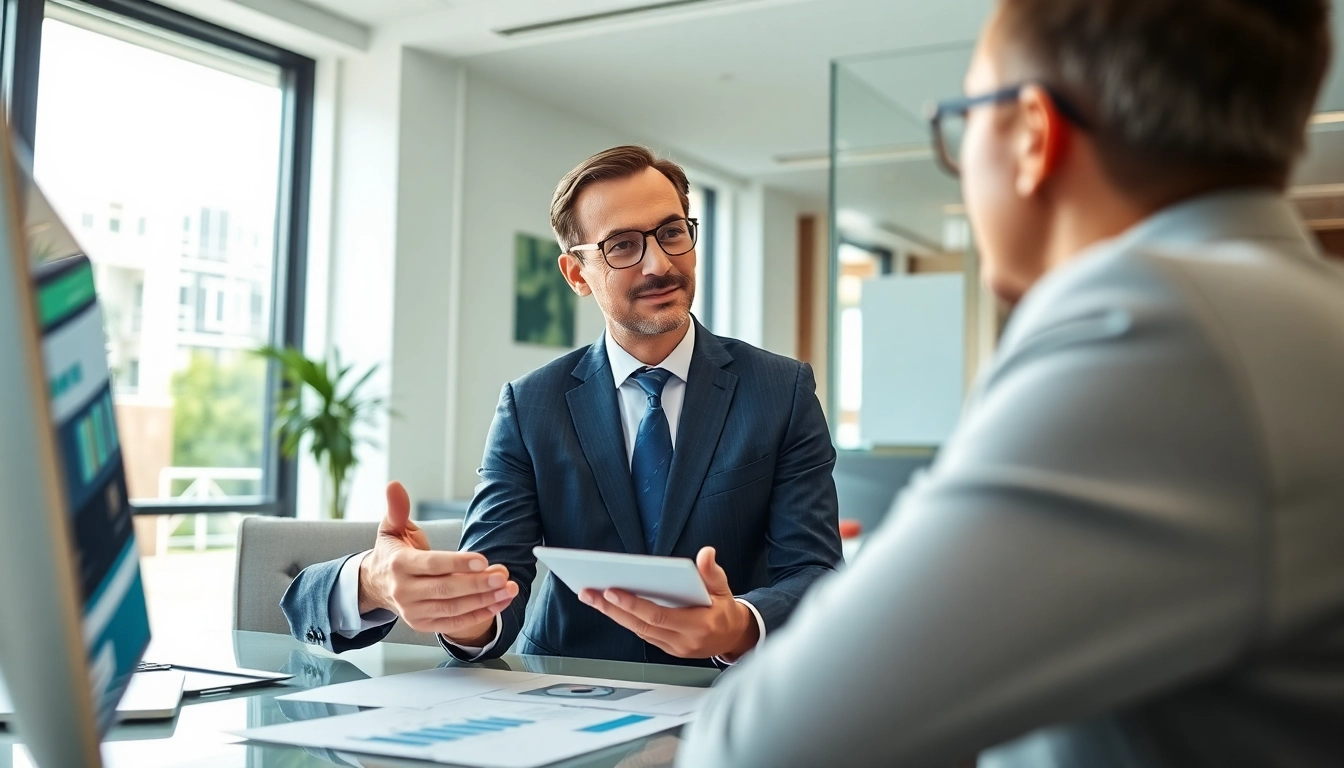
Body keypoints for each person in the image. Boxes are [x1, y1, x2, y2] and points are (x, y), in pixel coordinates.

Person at [679, 0, 1344, 765]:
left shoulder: (1150, 329)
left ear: (1033, 133)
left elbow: (760, 744)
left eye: (964, 119)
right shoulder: (1300, 313)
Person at [281, 145, 842, 668]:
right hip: (566, 688)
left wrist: (739, 626)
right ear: (577, 274)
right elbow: (494, 586)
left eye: (672, 233)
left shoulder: (780, 390)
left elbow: (815, 572)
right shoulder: (531, 406)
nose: (658, 264)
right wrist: (452, 609)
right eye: (622, 246)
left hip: (733, 699)